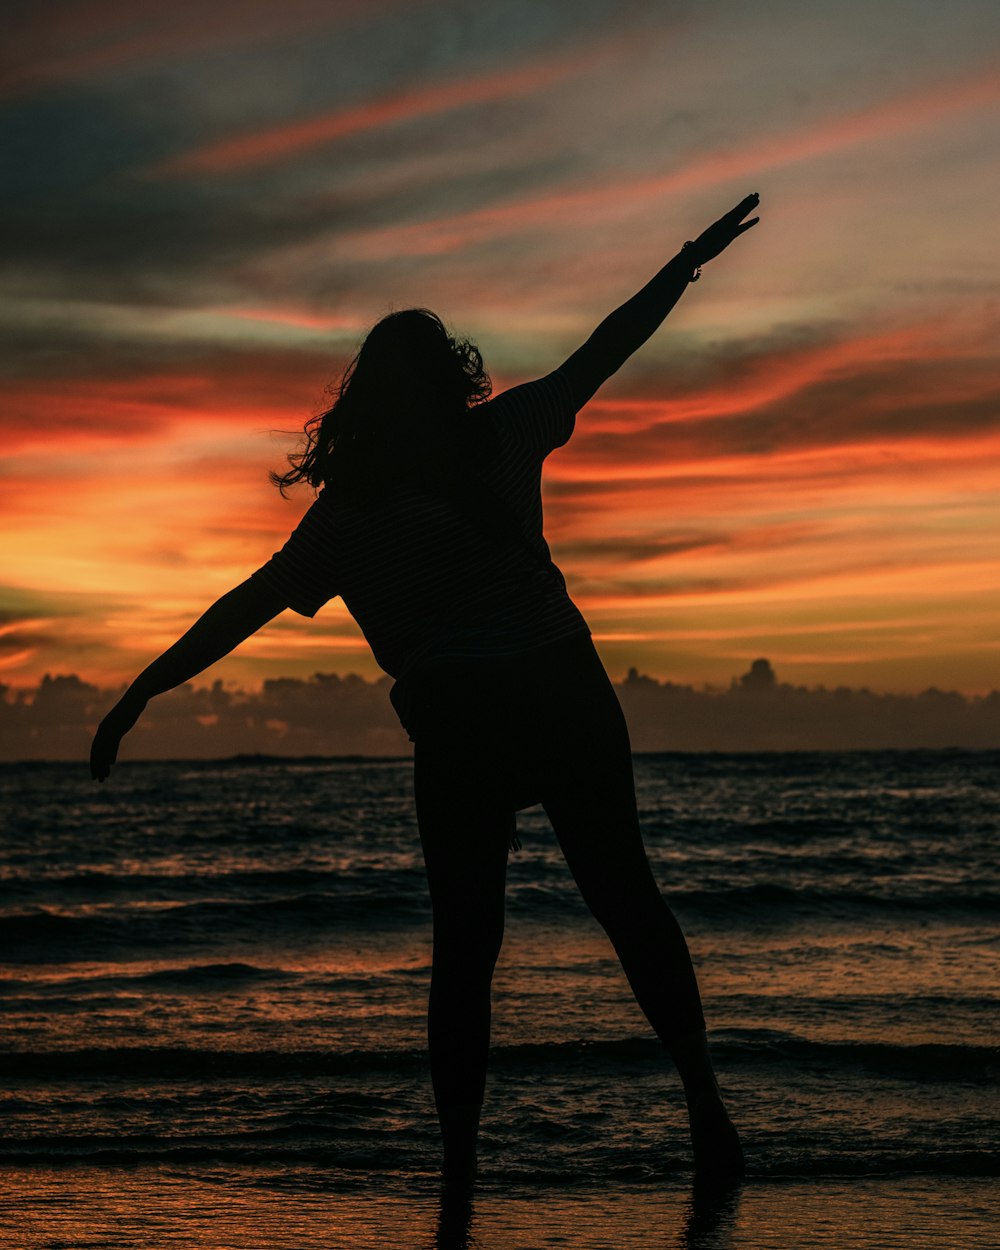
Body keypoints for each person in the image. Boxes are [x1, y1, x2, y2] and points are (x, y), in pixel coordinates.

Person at [90, 192, 760, 1186]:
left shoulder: (417, 480)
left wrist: (686, 263)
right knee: (551, 924)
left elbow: (604, 349)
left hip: (515, 708)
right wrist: (139, 691)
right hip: (515, 709)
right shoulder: (392, 493)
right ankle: (604, 1132)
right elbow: (243, 605)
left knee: (551, 924)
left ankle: (656, 1121)